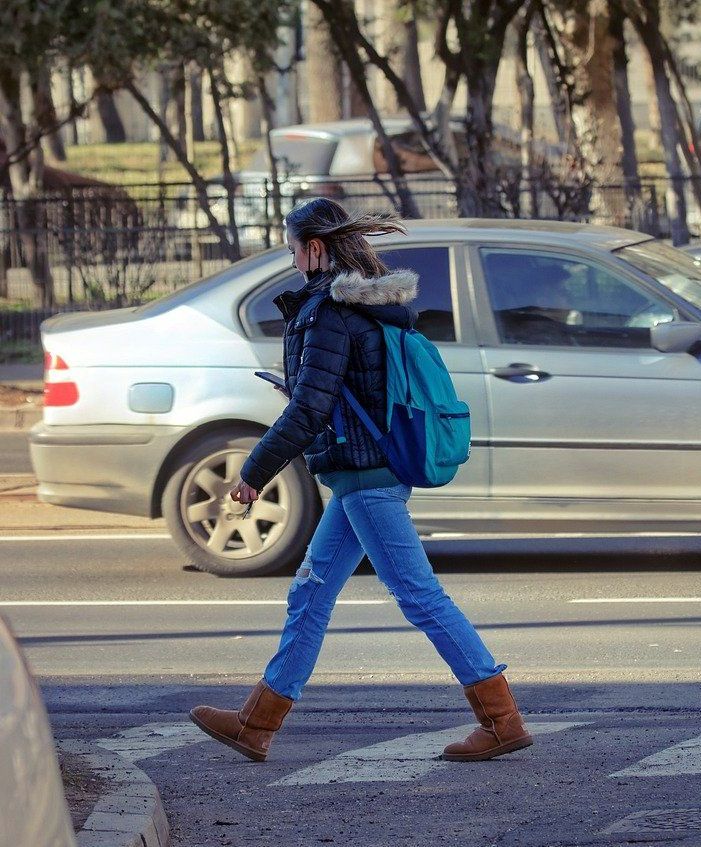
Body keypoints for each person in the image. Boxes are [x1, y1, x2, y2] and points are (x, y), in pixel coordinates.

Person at [189, 198, 533, 764]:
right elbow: (340, 395)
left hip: (365, 477)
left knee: (419, 596)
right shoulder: (364, 308)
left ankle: (501, 720)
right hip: (360, 476)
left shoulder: (329, 313)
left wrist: (254, 473)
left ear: (315, 249)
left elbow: (309, 410)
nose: (292, 258)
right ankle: (257, 723)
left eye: (294, 247)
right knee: (311, 592)